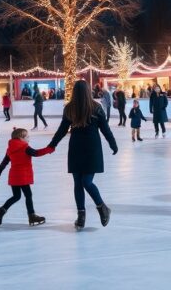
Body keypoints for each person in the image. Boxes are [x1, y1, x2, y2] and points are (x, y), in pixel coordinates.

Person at [47, 80, 118, 230]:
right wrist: (52, 145)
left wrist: (113, 143)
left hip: (87, 149)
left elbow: (105, 129)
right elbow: (62, 129)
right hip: (81, 148)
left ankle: (102, 207)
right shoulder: (72, 109)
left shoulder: (95, 108)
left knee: (86, 181)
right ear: (87, 91)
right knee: (78, 183)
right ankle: (81, 216)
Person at [0, 128, 55, 226]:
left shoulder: (10, 148)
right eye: (27, 137)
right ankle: (32, 216)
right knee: (28, 195)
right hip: (23, 176)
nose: (29, 138)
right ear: (21, 138)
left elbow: (4, 162)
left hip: (14, 176)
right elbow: (36, 153)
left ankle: (1, 210)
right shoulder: (24, 147)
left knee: (16, 196)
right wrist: (49, 149)